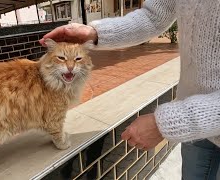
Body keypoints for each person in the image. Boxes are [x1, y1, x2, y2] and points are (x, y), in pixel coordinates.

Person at [39, 0, 220, 179]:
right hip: (195, 130)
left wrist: (170, 122)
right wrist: (93, 33)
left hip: (197, 117)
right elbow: (153, 17)